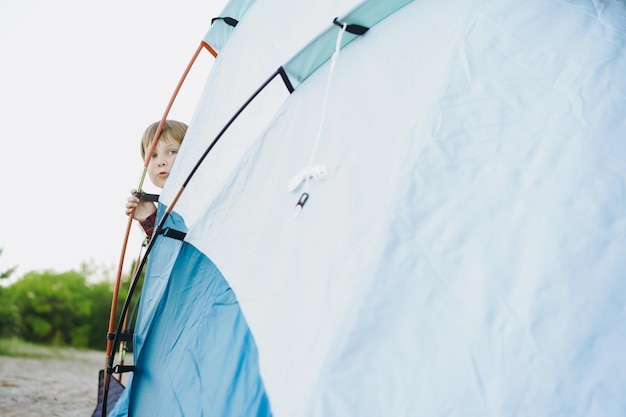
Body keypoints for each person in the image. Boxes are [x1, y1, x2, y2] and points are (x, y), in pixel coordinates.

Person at [125, 119, 188, 239]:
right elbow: (170, 252)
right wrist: (149, 218)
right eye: (153, 155)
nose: (160, 162)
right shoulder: (167, 209)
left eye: (172, 152)